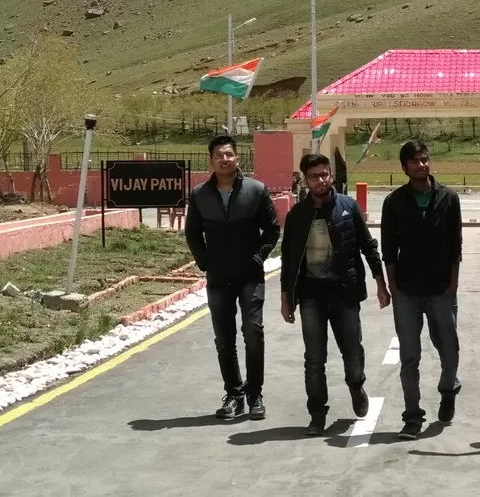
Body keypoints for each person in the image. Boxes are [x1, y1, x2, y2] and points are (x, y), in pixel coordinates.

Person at [279, 153, 391, 436]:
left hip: (345, 294)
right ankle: (317, 414)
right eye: (315, 176)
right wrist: (286, 299)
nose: (321, 180)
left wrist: (380, 282)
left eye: (325, 174)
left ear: (331, 176)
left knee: (352, 353)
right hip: (311, 297)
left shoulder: (348, 207)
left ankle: (356, 386)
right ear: (305, 180)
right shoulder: (297, 215)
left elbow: (368, 246)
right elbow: (289, 259)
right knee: (314, 359)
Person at [185, 135, 281, 420]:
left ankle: (255, 394)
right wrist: (205, 262)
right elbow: (192, 232)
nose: (224, 159)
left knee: (253, 332)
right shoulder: (200, 194)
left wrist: (257, 258)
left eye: (229, 154)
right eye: (219, 155)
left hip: (249, 275)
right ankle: (234, 395)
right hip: (218, 277)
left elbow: (272, 230)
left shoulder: (256, 190)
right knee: (224, 339)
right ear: (210, 160)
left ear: (237, 158)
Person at [381, 140, 463, 440]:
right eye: (414, 161)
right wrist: (392, 287)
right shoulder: (394, 202)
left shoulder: (449, 198)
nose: (421, 165)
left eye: (424, 159)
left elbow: (456, 245)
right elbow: (389, 249)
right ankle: (412, 417)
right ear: (404, 167)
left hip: (442, 289)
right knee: (410, 357)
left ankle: (448, 388)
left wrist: (453, 284)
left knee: (449, 350)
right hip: (408, 291)